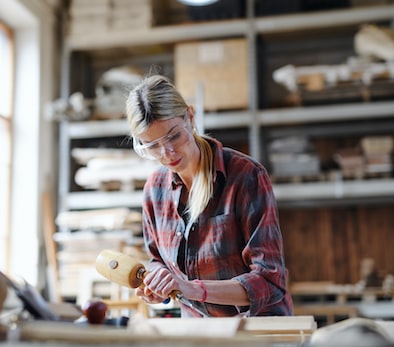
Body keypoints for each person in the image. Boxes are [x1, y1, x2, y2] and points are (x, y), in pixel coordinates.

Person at [125, 74, 293, 318]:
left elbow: (270, 280)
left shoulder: (246, 176)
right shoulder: (155, 189)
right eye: (152, 146)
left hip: (258, 330)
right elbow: (157, 259)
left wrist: (190, 288)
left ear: (190, 117)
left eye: (174, 136)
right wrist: (157, 282)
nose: (167, 152)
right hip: (199, 332)